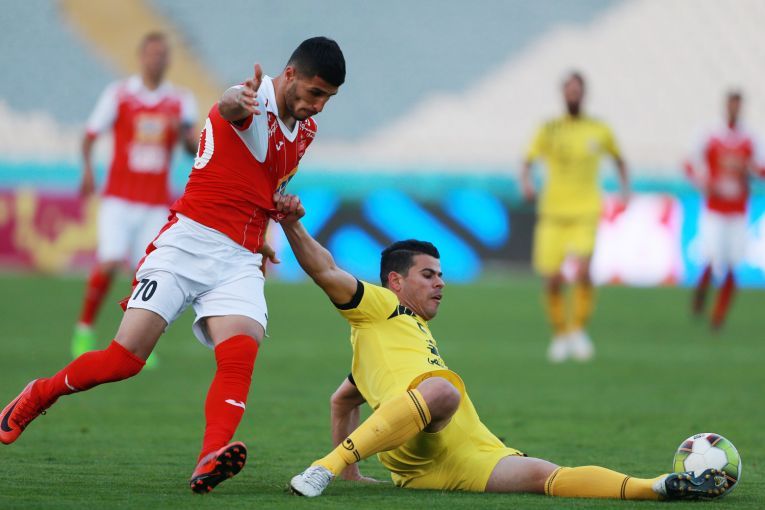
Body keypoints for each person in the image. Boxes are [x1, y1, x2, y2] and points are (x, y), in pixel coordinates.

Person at [0, 36, 346, 495]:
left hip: (239, 259)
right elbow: (228, 107)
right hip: (187, 244)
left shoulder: (305, 131)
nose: (318, 106)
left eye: (327, 98)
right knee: (124, 360)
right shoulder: (250, 100)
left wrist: (274, 214)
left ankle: (210, 456)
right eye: (315, 93)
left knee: (240, 354)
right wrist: (236, 98)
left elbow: (263, 183)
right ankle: (39, 393)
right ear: (289, 75)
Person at [272, 192, 729, 501]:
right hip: (420, 437)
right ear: (395, 280)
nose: (440, 284)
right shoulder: (381, 304)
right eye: (428, 275)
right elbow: (326, 270)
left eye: (441, 275)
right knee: (444, 389)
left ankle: (659, 486)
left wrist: (356, 474)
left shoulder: (400, 336)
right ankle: (323, 467)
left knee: (546, 475)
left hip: (460, 457)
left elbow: (342, 400)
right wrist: (293, 225)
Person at [72, 32, 199, 361]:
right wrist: (87, 171)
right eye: (152, 54)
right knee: (110, 261)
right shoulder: (119, 95)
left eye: (162, 54)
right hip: (118, 197)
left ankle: (136, 343)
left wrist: (184, 133)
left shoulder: (180, 101)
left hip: (156, 203)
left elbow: (192, 148)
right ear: (141, 57)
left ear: (168, 60)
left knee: (147, 273)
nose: (157, 59)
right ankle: (84, 328)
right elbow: (89, 135)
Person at [520, 71, 629, 363]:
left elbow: (619, 159)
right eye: (569, 90)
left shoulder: (599, 129)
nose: (573, 95)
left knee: (582, 271)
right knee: (552, 278)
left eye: (577, 90)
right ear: (562, 94)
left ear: (584, 94)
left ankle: (578, 329)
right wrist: (527, 183)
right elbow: (527, 160)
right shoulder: (548, 128)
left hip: (585, 211)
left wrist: (625, 191)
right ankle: (560, 334)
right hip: (553, 212)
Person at [684, 90, 764, 330]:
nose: (734, 109)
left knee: (731, 264)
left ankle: (718, 316)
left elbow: (761, 170)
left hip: (738, 211)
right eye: (731, 105)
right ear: (725, 106)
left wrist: (749, 169)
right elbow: (689, 164)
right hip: (715, 209)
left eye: (738, 105)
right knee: (710, 257)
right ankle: (700, 296)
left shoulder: (751, 138)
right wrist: (703, 183)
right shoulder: (710, 134)